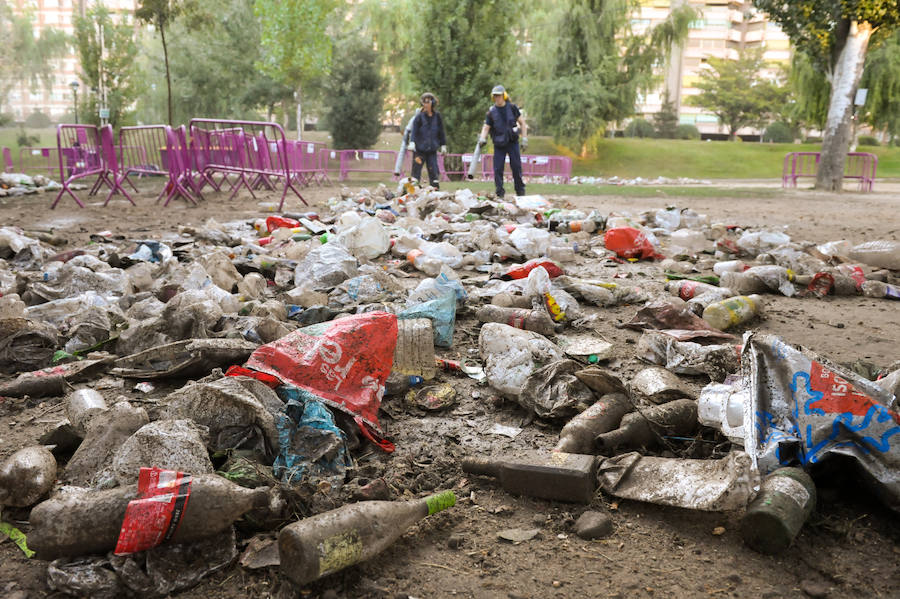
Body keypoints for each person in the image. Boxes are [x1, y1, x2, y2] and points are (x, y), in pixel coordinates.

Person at [478, 84, 527, 198]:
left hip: (512, 142)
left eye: (499, 96)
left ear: (504, 96)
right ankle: (500, 192)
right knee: (498, 169)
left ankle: (520, 191)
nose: (497, 98)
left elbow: (522, 123)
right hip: (499, 144)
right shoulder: (491, 112)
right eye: (495, 96)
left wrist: (524, 139)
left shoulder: (512, 108)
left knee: (516, 166)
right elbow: (486, 127)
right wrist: (482, 138)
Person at [408, 92, 447, 189]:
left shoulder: (437, 117)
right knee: (415, 173)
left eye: (427, 102)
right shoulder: (419, 117)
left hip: (432, 150)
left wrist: (443, 145)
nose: (425, 104)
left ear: (432, 103)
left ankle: (435, 192)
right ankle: (412, 193)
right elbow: (414, 131)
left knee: (434, 172)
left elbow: (441, 132)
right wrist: (412, 142)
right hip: (419, 150)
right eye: (424, 102)